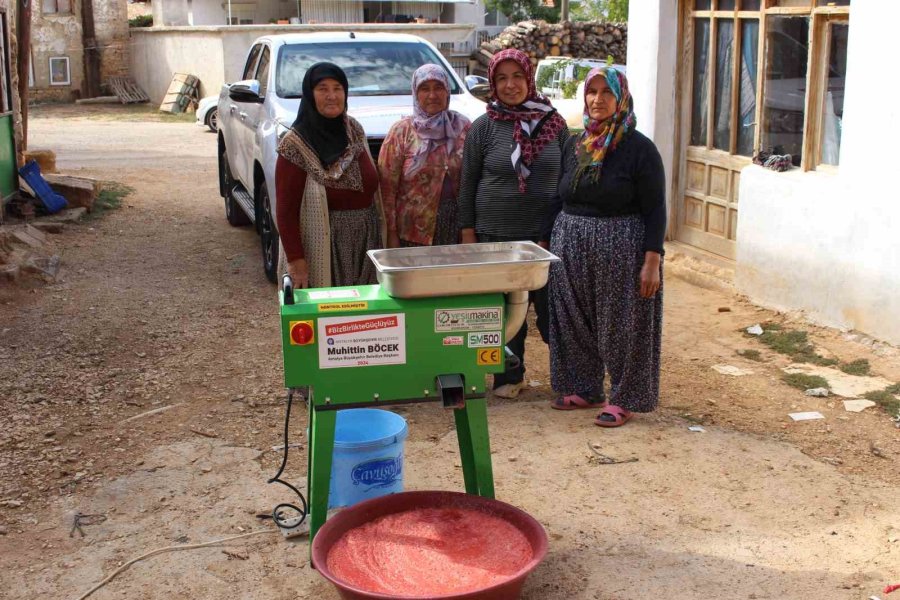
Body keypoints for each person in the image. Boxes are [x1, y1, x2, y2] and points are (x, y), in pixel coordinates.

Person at [545, 66, 665, 427]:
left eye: (606, 93)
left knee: (622, 324)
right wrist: (543, 240)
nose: (597, 100)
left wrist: (652, 261)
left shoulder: (640, 149)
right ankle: (585, 387)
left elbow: (656, 207)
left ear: (621, 98)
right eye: (591, 92)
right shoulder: (576, 142)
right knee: (573, 321)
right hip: (570, 243)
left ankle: (625, 397)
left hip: (621, 246)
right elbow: (560, 193)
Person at [458, 48, 569, 399]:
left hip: (544, 240)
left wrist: (557, 231)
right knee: (505, 315)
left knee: (555, 311)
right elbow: (467, 184)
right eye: (502, 78)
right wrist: (468, 233)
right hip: (495, 236)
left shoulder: (555, 124)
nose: (510, 85)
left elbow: (567, 181)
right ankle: (509, 376)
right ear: (492, 82)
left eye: (517, 76)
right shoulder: (484, 127)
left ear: (529, 78)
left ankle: (570, 378)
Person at [275, 62, 384, 289]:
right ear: (309, 94)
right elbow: (285, 211)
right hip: (323, 246)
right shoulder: (294, 145)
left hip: (366, 242)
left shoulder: (353, 130)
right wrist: (296, 261)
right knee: (331, 320)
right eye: (322, 89)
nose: (332, 96)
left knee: (367, 318)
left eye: (337, 88)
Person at [378, 64, 471, 248]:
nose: (432, 95)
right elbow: (387, 189)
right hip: (412, 233)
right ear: (415, 92)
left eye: (438, 87)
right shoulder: (401, 132)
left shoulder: (463, 127)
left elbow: (473, 182)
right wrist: (391, 233)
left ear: (447, 91)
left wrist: (469, 230)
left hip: (455, 230)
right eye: (424, 89)